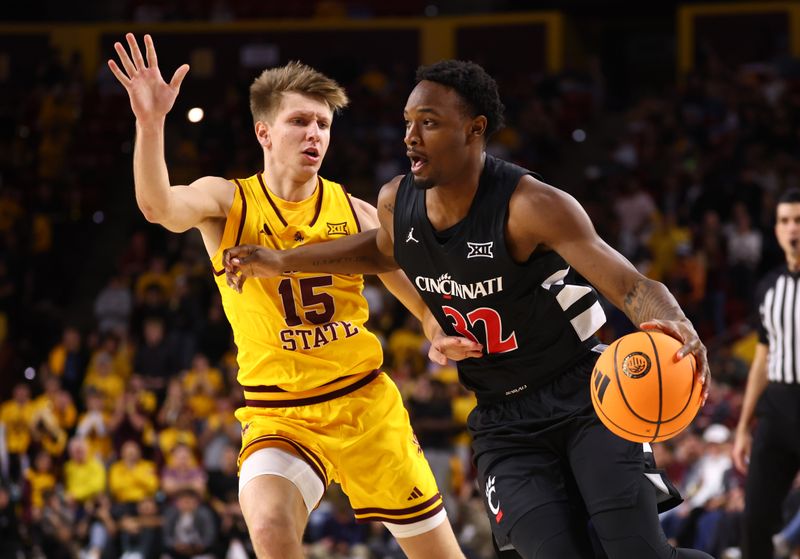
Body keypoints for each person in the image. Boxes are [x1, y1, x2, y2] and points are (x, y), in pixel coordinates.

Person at [224, 60, 713, 559]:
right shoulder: (397, 200)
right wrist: (283, 261)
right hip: (502, 420)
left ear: (474, 129)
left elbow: (631, 286)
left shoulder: (532, 205)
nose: (411, 137)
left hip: (584, 397)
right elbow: (379, 251)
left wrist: (676, 321)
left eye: (429, 123)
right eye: (408, 123)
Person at [107, 34, 465, 559]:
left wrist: (437, 333)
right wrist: (150, 121)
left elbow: (418, 300)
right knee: (271, 530)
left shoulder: (358, 212)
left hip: (365, 407)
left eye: (323, 124)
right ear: (264, 132)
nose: (314, 133)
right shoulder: (227, 202)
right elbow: (158, 207)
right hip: (280, 415)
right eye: (300, 121)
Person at [732, 187, 800, 559]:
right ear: (775, 229)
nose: (793, 229)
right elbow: (762, 356)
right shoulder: (769, 286)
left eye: (799, 221)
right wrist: (743, 426)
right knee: (755, 518)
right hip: (776, 408)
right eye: (785, 221)